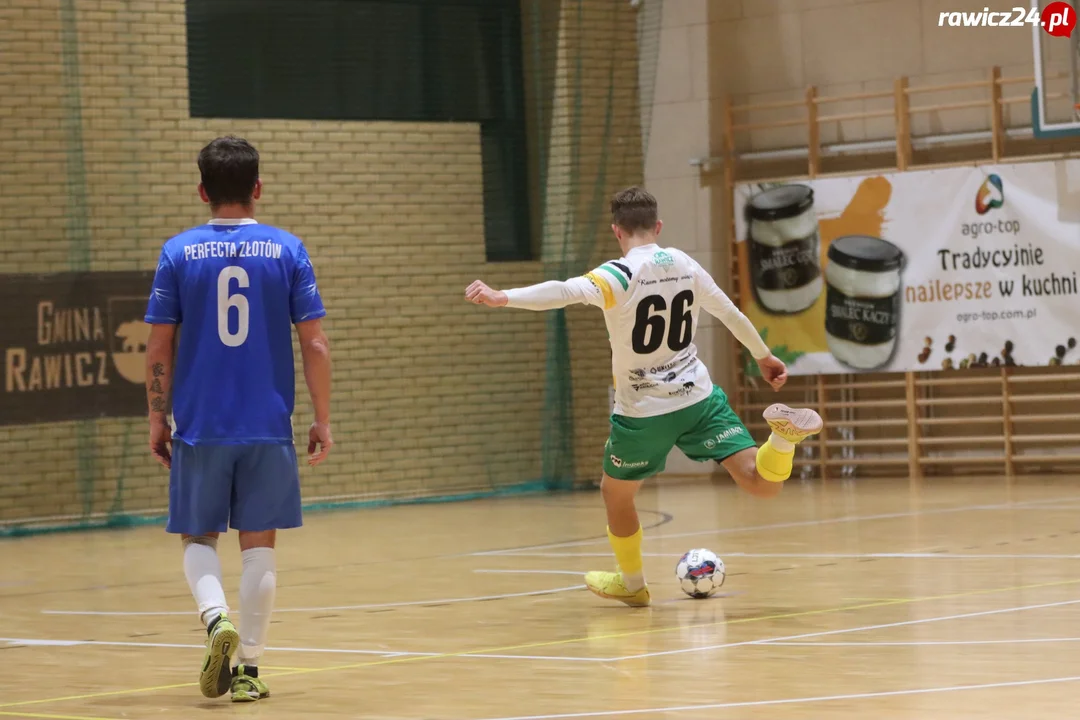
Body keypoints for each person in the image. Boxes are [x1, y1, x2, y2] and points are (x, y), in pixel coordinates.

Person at [465, 186, 821, 607]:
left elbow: (563, 291)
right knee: (761, 484)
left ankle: (632, 584)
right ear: (658, 226)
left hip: (644, 411)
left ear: (617, 231)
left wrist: (504, 297)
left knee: (616, 493)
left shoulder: (617, 276)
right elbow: (729, 312)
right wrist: (763, 357)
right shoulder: (685, 265)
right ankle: (782, 440)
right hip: (699, 399)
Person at [144, 136, 334, 701]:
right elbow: (316, 344)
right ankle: (248, 669)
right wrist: (322, 418)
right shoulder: (288, 249)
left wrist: (158, 418)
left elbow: (158, 349)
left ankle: (215, 619)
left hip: (202, 424)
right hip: (268, 425)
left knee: (197, 536)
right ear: (258, 188)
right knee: (260, 547)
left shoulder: (177, 253)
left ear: (202, 190)